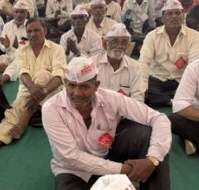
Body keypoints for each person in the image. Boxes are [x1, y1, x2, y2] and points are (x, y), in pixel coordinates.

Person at [42, 56, 171, 190]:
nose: (77, 93)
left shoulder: (111, 98)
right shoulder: (51, 109)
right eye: (72, 85)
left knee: (147, 136)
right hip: (74, 170)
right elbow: (71, 157)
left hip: (107, 153)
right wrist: (125, 170)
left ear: (96, 86)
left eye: (84, 86)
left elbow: (159, 118)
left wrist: (152, 160)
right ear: (65, 83)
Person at [0, 18, 66, 159]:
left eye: (37, 30)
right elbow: (23, 73)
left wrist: (41, 91)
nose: (33, 34)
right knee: (14, 109)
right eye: (29, 31)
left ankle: (25, 119)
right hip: (28, 89)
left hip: (51, 91)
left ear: (45, 31)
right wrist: (33, 89)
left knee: (43, 74)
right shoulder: (22, 50)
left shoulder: (57, 49)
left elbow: (59, 76)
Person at [139, 0, 199, 108]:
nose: (174, 16)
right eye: (169, 14)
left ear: (183, 16)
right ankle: (174, 102)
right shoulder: (152, 36)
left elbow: (193, 65)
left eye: (177, 13)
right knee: (146, 88)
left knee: (192, 89)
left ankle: (166, 100)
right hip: (157, 79)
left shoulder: (194, 36)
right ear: (162, 19)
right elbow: (143, 62)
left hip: (181, 80)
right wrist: (143, 87)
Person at [91, 23, 145, 102]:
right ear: (106, 43)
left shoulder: (135, 66)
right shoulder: (93, 63)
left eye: (124, 42)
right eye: (115, 41)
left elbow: (138, 97)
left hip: (123, 111)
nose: (119, 46)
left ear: (128, 46)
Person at [0, 1, 28, 74]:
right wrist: (6, 47)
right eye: (16, 12)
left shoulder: (31, 27)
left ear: (27, 13)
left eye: (22, 12)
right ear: (13, 13)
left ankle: (9, 70)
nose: (19, 14)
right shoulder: (8, 25)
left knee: (20, 64)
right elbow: (2, 47)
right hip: (9, 56)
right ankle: (9, 69)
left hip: (23, 58)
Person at [169, 59, 199, 155]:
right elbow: (180, 104)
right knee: (173, 120)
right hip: (197, 117)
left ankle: (191, 140)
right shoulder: (194, 68)